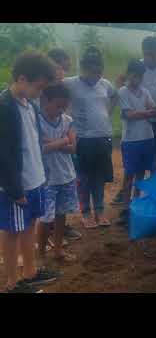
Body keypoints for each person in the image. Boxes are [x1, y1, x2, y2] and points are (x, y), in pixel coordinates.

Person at [0, 52, 59, 293]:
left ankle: (30, 272)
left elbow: (33, 144)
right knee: (12, 230)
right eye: (39, 87)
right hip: (16, 185)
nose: (41, 93)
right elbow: (2, 153)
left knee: (29, 225)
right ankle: (13, 283)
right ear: (22, 78)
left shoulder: (30, 106)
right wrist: (14, 189)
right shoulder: (4, 108)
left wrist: (42, 175)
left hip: (36, 180)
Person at [111, 36, 156, 206]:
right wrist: (146, 112)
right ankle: (126, 197)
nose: (148, 58)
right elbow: (123, 91)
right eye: (146, 54)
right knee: (132, 168)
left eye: (152, 54)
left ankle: (151, 195)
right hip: (136, 127)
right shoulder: (137, 65)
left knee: (154, 161)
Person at [63, 46, 118, 228]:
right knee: (83, 178)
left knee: (99, 177)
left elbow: (114, 96)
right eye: (93, 73)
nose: (96, 77)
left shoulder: (105, 84)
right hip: (82, 139)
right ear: (83, 69)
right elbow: (52, 93)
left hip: (103, 137)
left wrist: (106, 113)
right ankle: (86, 213)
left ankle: (100, 212)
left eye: (99, 73)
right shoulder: (69, 83)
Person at [37, 83, 78, 264]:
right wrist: (62, 140)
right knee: (45, 219)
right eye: (58, 105)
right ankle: (40, 255)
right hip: (46, 180)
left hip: (66, 176)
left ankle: (58, 250)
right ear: (46, 100)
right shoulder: (36, 120)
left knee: (61, 215)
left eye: (64, 106)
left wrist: (52, 143)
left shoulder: (67, 120)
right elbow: (40, 149)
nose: (61, 110)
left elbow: (73, 148)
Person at [117, 59, 156, 226]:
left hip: (147, 138)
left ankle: (136, 205)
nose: (136, 79)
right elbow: (129, 115)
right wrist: (148, 113)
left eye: (139, 76)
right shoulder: (122, 92)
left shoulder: (145, 91)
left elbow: (153, 110)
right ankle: (126, 209)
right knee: (129, 175)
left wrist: (142, 113)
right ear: (128, 75)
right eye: (133, 76)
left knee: (141, 174)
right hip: (131, 140)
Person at [47, 48, 82, 242]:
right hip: (44, 161)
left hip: (63, 154)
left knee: (63, 190)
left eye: (64, 69)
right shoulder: (41, 95)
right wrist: (61, 142)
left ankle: (60, 227)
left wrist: (63, 142)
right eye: (59, 68)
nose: (62, 73)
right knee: (46, 198)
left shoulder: (63, 91)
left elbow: (71, 142)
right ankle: (47, 231)